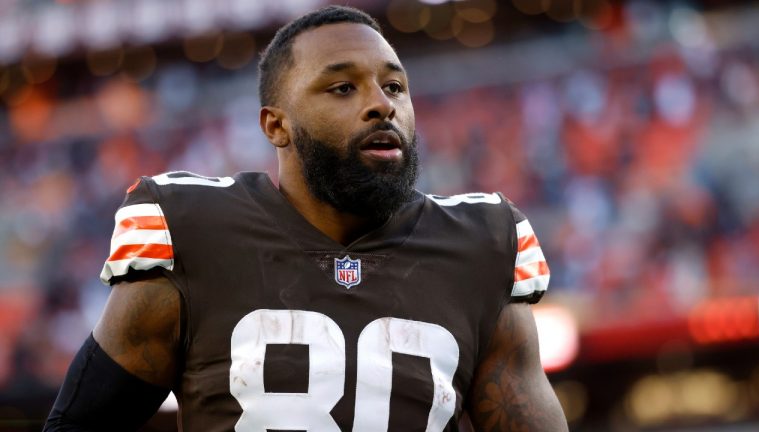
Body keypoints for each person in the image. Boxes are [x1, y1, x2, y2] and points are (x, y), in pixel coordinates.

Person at [44, 5, 568, 432]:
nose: (381, 105)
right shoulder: (194, 232)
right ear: (277, 125)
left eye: (394, 87)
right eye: (343, 88)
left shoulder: (482, 246)